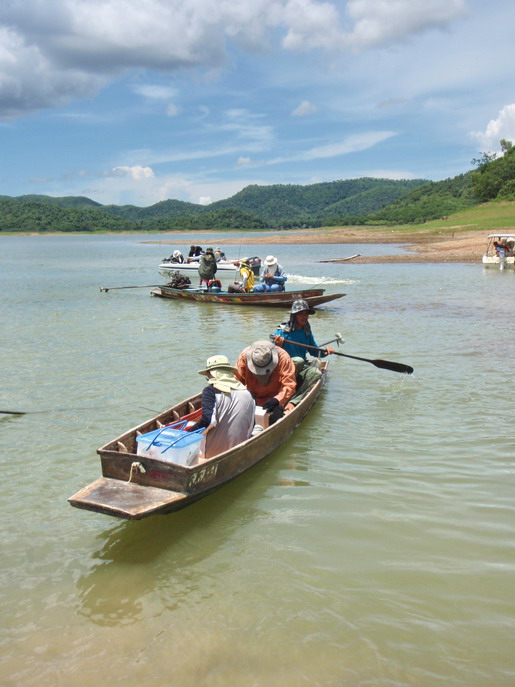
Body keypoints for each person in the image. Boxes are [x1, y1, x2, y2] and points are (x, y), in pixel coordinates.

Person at [272, 299, 335, 410]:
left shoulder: (306, 332)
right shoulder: (282, 332)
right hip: (284, 370)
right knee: (298, 360)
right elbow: (271, 354)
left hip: (301, 368)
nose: (304, 317)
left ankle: (293, 401)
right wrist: (278, 345)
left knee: (316, 373)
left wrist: (325, 351)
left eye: (306, 314)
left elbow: (314, 351)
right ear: (294, 316)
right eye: (300, 314)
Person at [190, 355, 255, 459]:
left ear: (212, 374)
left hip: (211, 453)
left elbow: (208, 421)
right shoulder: (248, 394)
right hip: (239, 449)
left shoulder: (210, 391)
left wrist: (188, 433)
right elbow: (252, 425)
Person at [235, 340, 296, 424]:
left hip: (276, 400)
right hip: (252, 398)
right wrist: (244, 394)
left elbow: (289, 385)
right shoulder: (244, 356)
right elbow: (236, 381)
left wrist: (277, 399)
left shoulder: (283, 358)